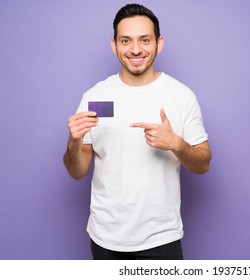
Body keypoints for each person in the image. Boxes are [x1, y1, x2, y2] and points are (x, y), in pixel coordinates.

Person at [63, 3, 211, 260]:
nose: (135, 49)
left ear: (159, 43)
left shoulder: (181, 96)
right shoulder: (96, 97)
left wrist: (177, 144)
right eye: (125, 40)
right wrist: (73, 143)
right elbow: (77, 171)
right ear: (114, 45)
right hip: (105, 238)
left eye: (145, 40)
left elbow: (203, 164)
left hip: (161, 239)